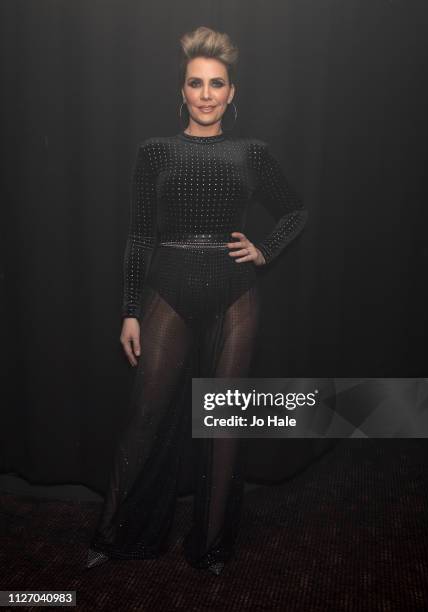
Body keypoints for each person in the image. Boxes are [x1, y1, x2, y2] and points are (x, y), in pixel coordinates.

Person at [85, 25, 308, 576]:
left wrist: (266, 249)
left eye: (217, 84)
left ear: (232, 93)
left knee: (222, 422)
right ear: (181, 91)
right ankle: (116, 536)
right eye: (195, 83)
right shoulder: (154, 152)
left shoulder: (252, 153)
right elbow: (138, 236)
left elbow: (295, 210)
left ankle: (209, 548)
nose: (206, 94)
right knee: (145, 414)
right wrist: (130, 310)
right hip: (169, 287)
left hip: (237, 294)